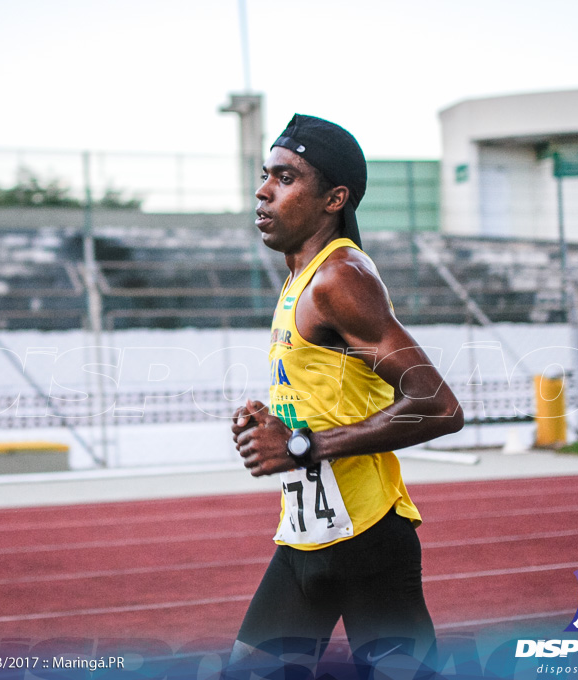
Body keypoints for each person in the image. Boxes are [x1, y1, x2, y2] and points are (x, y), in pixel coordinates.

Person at [229, 114, 464, 676]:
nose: (263, 191)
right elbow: (328, 395)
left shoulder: (340, 277)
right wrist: (273, 422)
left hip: (368, 543)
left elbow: (440, 405)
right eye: (266, 175)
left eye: (285, 179)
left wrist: (302, 446)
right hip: (308, 538)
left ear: (334, 198)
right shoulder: (300, 278)